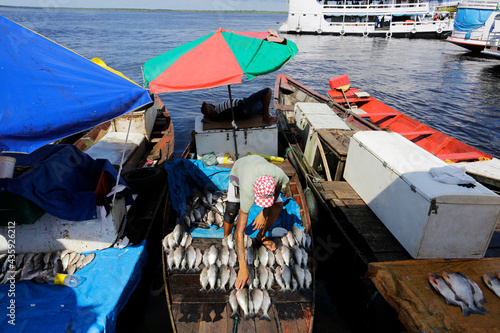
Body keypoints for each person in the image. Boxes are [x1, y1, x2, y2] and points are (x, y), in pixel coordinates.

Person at [222, 154, 289, 290]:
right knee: (231, 210)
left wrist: (264, 212)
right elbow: (240, 231)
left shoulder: (279, 175)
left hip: (258, 165)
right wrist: (242, 268)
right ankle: (225, 238)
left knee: (278, 206)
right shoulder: (247, 190)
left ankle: (261, 236)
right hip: (239, 173)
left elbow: (277, 190)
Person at [201, 87, 277, 124]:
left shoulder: (217, 110)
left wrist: (209, 105)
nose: (211, 105)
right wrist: (206, 106)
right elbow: (211, 113)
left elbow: (211, 111)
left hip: (246, 108)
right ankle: (266, 118)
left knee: (263, 103)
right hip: (245, 107)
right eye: (209, 106)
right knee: (268, 91)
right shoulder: (215, 114)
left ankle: (264, 114)